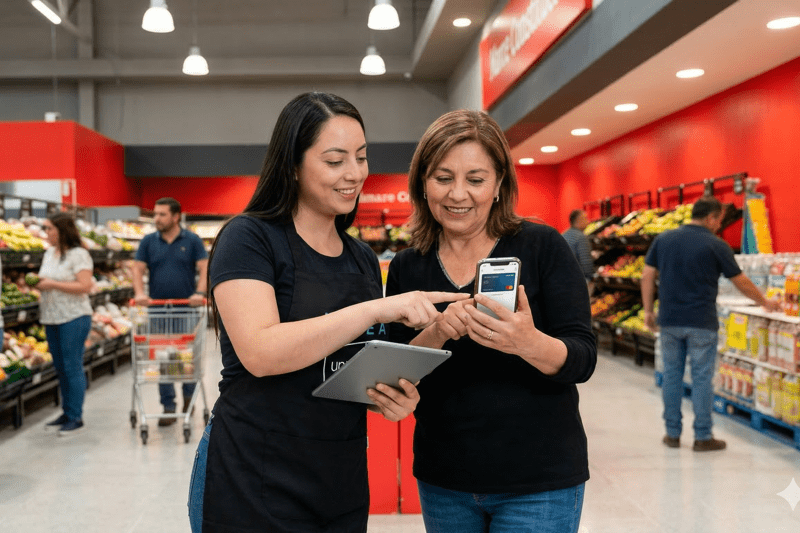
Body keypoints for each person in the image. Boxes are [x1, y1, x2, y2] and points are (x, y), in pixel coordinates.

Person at [187, 92, 466, 533]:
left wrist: (392, 398)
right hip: (252, 472)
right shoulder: (249, 239)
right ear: (293, 166)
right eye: (335, 160)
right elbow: (260, 352)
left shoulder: (360, 257)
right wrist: (374, 308)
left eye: (361, 157)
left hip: (338, 476)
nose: (354, 173)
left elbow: (351, 369)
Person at [386, 109, 597, 533]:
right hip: (444, 478)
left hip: (539, 481)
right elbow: (394, 368)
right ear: (422, 183)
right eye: (443, 178)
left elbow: (583, 358)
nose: (457, 194)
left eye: (475, 179)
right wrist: (438, 331)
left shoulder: (542, 247)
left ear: (499, 183)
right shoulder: (408, 266)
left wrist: (527, 342)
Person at [641, 196, 781, 452]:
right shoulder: (716, 245)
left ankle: (672, 434)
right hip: (701, 322)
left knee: (671, 376)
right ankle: (703, 436)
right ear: (710, 218)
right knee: (702, 379)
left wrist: (648, 310)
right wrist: (765, 302)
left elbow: (647, 275)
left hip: (670, 320)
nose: (719, 225)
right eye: (719, 220)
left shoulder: (664, 239)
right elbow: (740, 281)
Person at [133, 197, 208, 426]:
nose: (156, 218)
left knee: (186, 356)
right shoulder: (148, 241)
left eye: (162, 214)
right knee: (163, 357)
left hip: (186, 309)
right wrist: (139, 293)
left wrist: (200, 292)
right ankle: (168, 405)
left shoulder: (192, 240)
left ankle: (188, 398)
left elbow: (204, 267)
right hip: (158, 310)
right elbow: (137, 269)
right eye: (155, 214)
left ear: (175, 217)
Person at [37, 213, 94, 436]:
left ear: (62, 231)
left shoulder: (79, 255)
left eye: (49, 228)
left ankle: (75, 416)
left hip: (73, 317)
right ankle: (66, 411)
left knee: (72, 366)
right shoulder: (49, 253)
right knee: (60, 367)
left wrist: (52, 284)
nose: (46, 232)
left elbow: (85, 286)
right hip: (50, 317)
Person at [562, 209, 595, 284]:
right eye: (585, 218)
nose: (588, 221)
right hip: (576, 280)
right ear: (579, 220)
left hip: (563, 278)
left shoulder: (564, 234)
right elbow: (585, 262)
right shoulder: (581, 237)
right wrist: (590, 278)